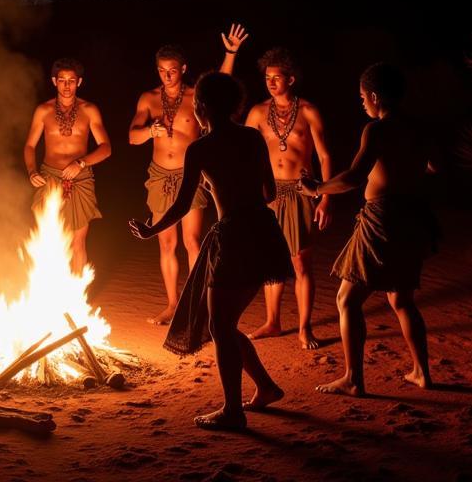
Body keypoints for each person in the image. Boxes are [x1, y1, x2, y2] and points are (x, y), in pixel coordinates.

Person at [130, 73, 293, 431]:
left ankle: (233, 411)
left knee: (220, 324)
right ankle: (264, 387)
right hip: (263, 232)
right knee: (224, 323)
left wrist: (152, 230)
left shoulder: (201, 149)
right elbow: (268, 193)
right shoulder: (252, 138)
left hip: (234, 235)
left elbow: (181, 206)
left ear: (200, 108)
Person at [298, 63, 437, 396]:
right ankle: (421, 373)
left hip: (383, 218)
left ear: (374, 96)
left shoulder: (376, 130)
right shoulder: (419, 128)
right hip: (412, 216)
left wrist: (317, 189)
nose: (362, 103)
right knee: (402, 299)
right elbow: (435, 166)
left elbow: (353, 177)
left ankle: (353, 378)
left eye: (362, 97)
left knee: (347, 299)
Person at [128, 26, 249, 323]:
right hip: (159, 176)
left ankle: (194, 305)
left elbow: (221, 82)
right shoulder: (148, 99)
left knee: (192, 241)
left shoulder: (196, 95)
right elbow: (132, 136)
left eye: (172, 70)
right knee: (165, 243)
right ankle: (172, 305)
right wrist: (149, 131)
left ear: (183, 68)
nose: (166, 75)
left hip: (190, 175)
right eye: (161, 70)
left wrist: (230, 53)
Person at [245, 48, 333, 349]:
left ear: (291, 79)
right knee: (271, 261)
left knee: (300, 262)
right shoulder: (257, 112)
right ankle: (272, 322)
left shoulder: (308, 111)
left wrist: (325, 197)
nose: (270, 82)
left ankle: (305, 328)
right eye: (267, 77)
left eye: (277, 77)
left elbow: (324, 155)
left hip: (300, 191)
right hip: (268, 193)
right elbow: (244, 154)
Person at [24, 58, 112, 274]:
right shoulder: (43, 111)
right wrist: (31, 170)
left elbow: (106, 148)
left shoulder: (90, 110)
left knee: (77, 241)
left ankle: (75, 298)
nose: (66, 85)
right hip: (49, 177)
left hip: (81, 179)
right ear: (54, 81)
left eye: (71, 81)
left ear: (79, 82)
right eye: (62, 80)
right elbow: (29, 146)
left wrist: (81, 163)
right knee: (50, 237)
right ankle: (51, 293)